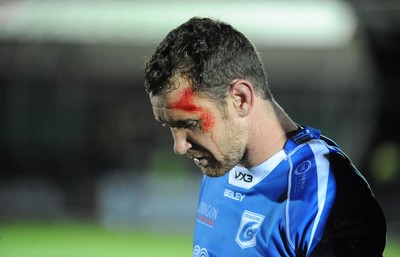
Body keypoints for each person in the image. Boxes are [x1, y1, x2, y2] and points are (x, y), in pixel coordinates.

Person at [144, 17, 386, 257]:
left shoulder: (324, 193)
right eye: (169, 126)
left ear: (240, 98)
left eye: (190, 123)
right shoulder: (221, 162)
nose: (179, 146)